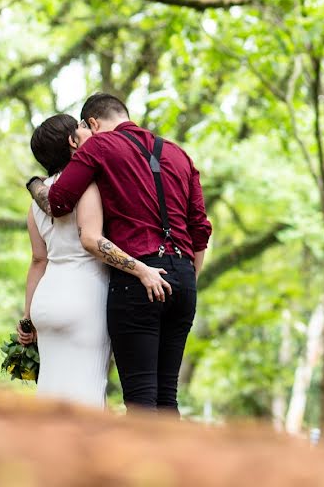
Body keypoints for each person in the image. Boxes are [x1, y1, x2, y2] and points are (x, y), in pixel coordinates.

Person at [26, 94, 212, 415]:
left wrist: (33, 183)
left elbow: (58, 203)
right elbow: (200, 230)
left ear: (93, 124)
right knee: (167, 395)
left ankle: (144, 465)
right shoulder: (180, 155)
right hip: (183, 276)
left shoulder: (100, 147)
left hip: (137, 279)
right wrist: (186, 280)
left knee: (140, 397)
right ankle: (176, 464)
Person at [18, 114, 170, 409]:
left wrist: (28, 319)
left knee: (51, 390)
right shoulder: (87, 185)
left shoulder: (37, 201)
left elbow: (38, 260)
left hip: (46, 302)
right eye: (82, 127)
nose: (88, 130)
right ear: (72, 142)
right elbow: (91, 239)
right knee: (87, 387)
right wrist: (141, 269)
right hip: (84, 294)